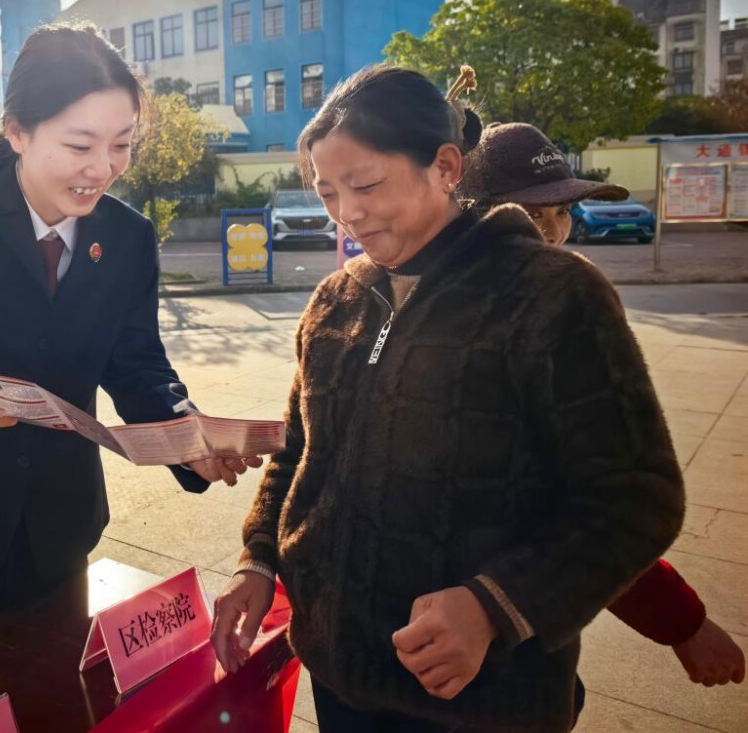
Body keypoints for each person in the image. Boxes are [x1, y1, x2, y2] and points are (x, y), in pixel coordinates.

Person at [210, 65, 686, 731]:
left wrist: (494, 606)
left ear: (445, 166)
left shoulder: (552, 294)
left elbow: (637, 496)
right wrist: (259, 559)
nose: (347, 213)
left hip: (483, 696)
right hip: (339, 671)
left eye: (366, 184)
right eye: (327, 192)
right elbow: (299, 452)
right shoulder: (339, 298)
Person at [0, 22, 257, 671]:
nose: (102, 168)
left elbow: (137, 363)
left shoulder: (127, 238)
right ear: (18, 132)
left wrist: (186, 432)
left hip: (54, 539)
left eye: (121, 144)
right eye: (79, 144)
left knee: (48, 704)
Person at [460, 120, 745, 689]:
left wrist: (679, 620)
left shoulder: (556, 308)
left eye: (560, 213)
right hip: (471, 641)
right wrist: (682, 621)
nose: (551, 234)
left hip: (520, 630)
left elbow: (607, 492)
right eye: (530, 215)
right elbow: (582, 504)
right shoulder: (467, 318)